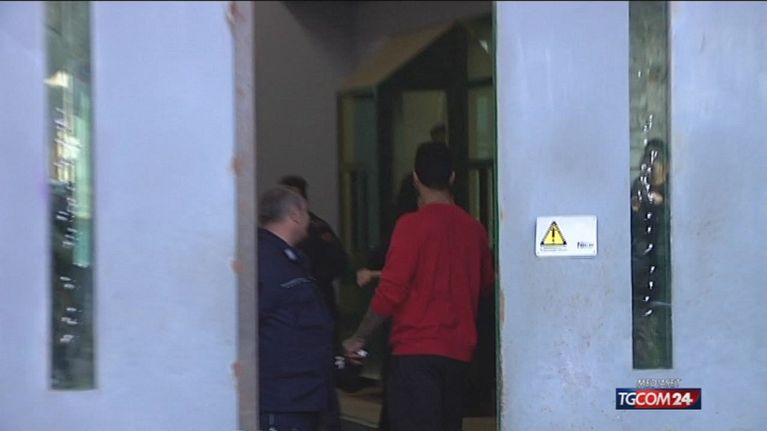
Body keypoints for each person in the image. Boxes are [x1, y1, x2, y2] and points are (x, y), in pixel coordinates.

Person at [343, 142, 495, 431]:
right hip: (458, 356)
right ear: (452, 177)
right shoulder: (474, 230)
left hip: (415, 353)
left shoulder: (411, 226)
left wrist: (359, 337)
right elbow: (487, 284)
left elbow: (390, 292)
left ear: (415, 178)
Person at [258, 186, 335, 431]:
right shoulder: (263, 260)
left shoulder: (290, 261)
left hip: (303, 395)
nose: (309, 221)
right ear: (295, 214)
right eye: (306, 213)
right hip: (282, 398)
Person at [279, 176, 348, 321]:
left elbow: (339, 262)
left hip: (316, 300)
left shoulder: (317, 228)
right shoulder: (275, 230)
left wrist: (310, 279)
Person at [630, 138, 671, 368]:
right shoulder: (638, 189)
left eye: (655, 160)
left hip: (665, 279)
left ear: (667, 166)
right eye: (647, 158)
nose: (649, 165)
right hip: (641, 281)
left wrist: (662, 205)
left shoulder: (674, 192)